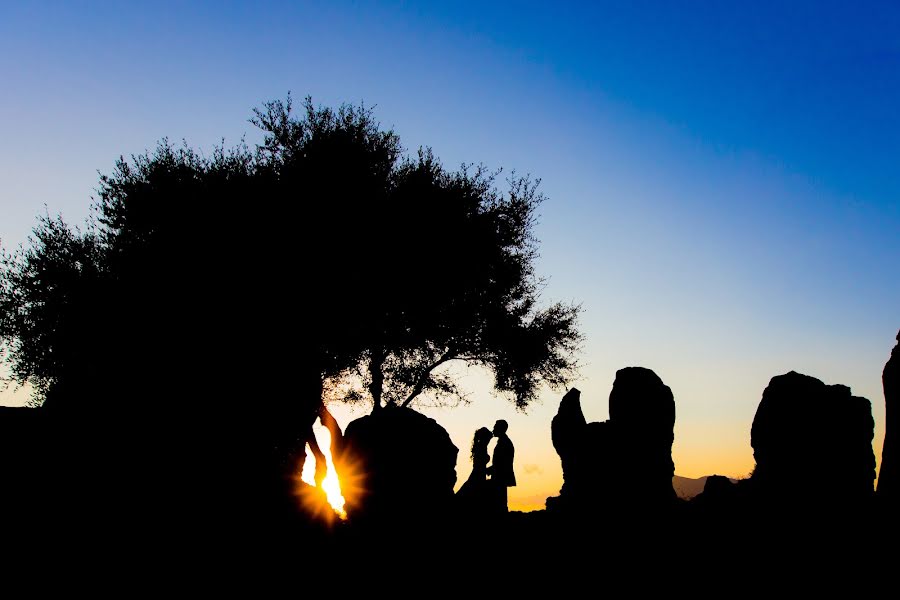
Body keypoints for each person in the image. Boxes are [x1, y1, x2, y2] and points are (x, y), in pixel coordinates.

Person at [456, 427, 494, 516]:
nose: (489, 441)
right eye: (488, 439)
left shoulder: (481, 446)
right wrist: (488, 470)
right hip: (478, 474)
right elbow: (479, 465)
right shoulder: (481, 447)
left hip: (479, 474)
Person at [487, 419, 516, 513]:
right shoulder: (503, 441)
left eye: (495, 427)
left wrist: (490, 469)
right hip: (499, 475)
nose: (493, 429)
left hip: (500, 476)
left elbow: (502, 462)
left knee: (499, 502)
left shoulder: (504, 442)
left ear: (501, 429)